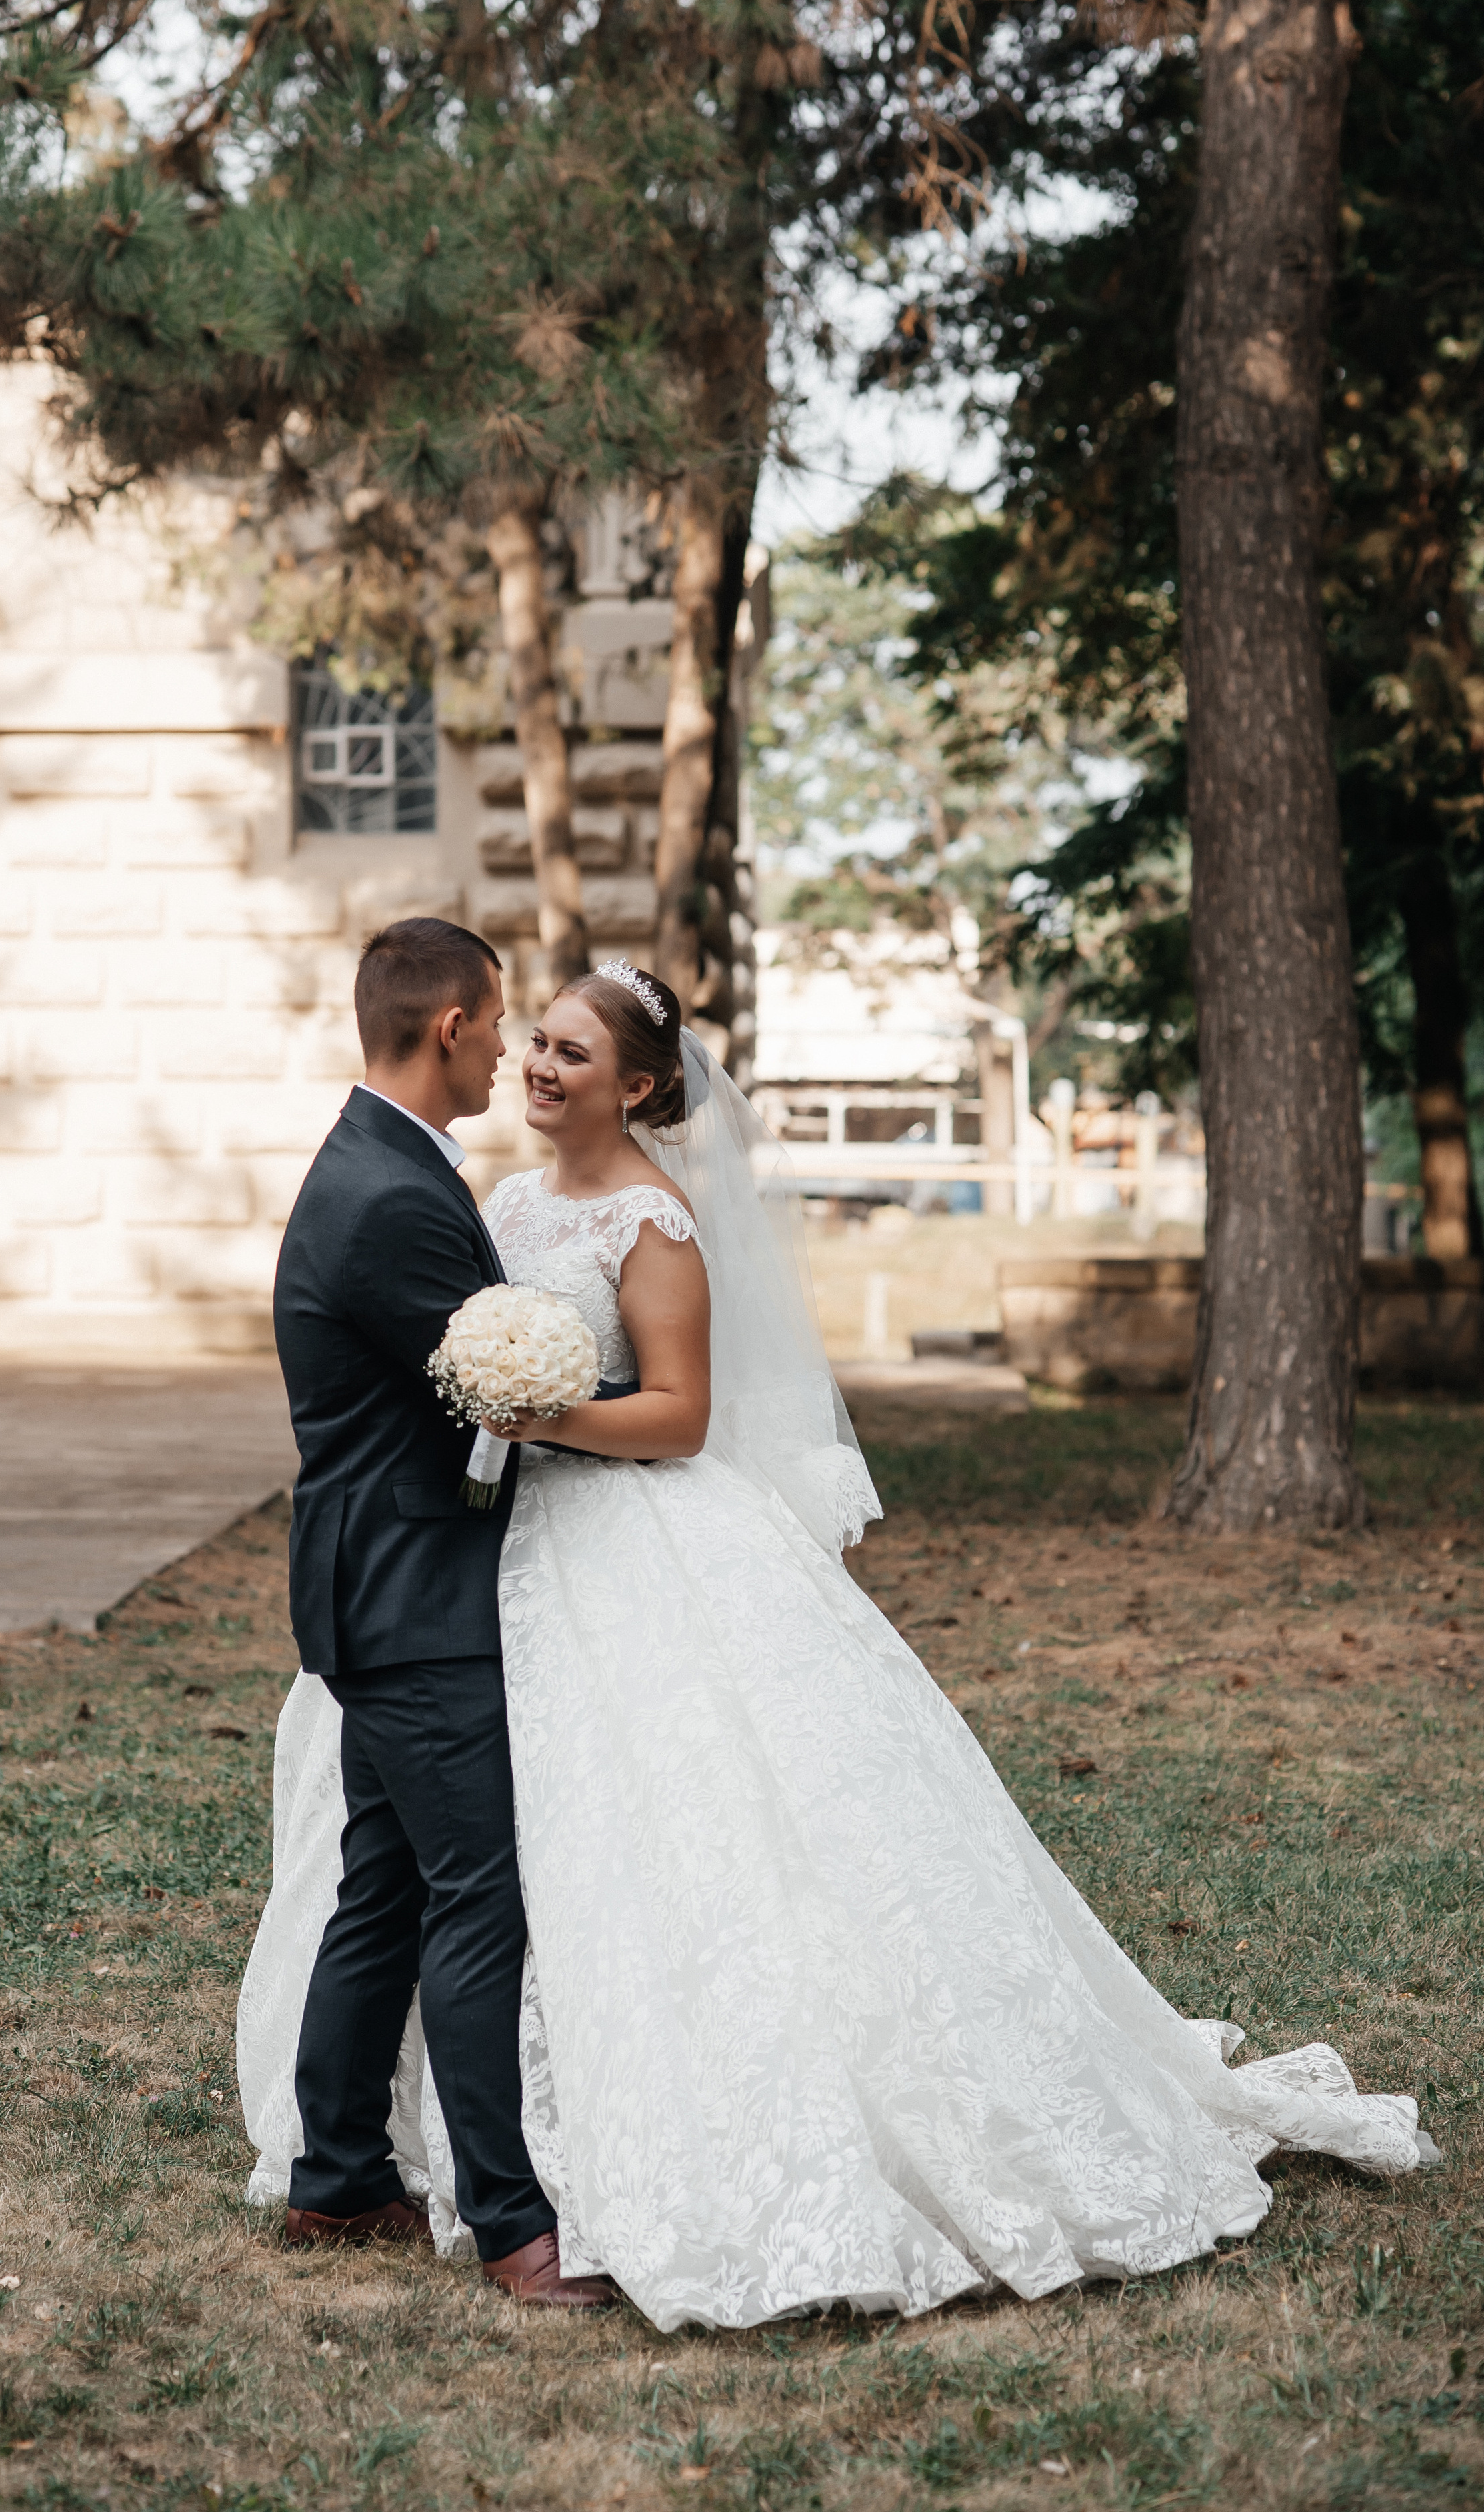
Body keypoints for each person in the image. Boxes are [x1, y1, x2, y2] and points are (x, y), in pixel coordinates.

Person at [244, 955, 1435, 2333]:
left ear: (636, 1083)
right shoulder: (483, 1201)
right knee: (459, 1871)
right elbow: (448, 1368)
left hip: (614, 1542)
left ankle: (458, 2188)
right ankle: (388, 2177)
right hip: (487, 1575)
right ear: (458, 1032)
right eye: (526, 1036)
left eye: (566, 1045)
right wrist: (510, 1408)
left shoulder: (648, 1217)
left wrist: (536, 1415)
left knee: (602, 1847)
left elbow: (673, 1413)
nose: (532, 1060)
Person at [261, 915, 613, 2310]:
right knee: (475, 1895)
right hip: (413, 1595)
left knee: (387, 1884)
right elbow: (494, 1394)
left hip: (377, 1578)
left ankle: (340, 2178)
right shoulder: (394, 1194)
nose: (508, 1047)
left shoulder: (381, 1162)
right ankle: (514, 2228)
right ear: (452, 1023)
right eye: (500, 1019)